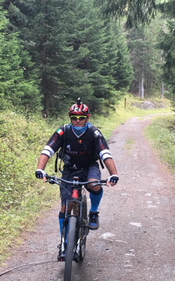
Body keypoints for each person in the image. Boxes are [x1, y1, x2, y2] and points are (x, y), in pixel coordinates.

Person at [35, 98, 119, 241]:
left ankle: (93, 212)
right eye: (74, 117)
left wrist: (113, 174)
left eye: (81, 118)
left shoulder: (94, 133)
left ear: (87, 118)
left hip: (89, 167)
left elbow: (105, 153)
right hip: (69, 169)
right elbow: (48, 150)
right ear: (70, 118)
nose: (78, 120)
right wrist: (40, 169)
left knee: (93, 184)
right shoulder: (63, 131)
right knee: (65, 207)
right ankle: (65, 242)